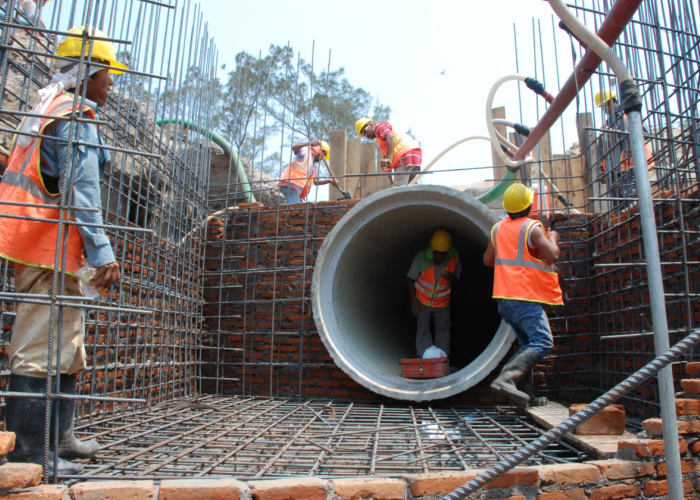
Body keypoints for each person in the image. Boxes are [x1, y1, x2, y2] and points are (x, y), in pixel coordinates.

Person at [0, 25, 127, 474]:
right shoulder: (73, 115)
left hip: (49, 248)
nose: (112, 84)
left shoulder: (46, 107)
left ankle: (61, 438)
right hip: (43, 247)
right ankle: (30, 453)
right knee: (38, 348)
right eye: (108, 75)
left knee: (68, 346)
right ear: (90, 72)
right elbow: (82, 192)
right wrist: (103, 252)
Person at [482, 183, 563, 406]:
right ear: (529, 205)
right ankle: (506, 379)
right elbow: (552, 256)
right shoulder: (532, 228)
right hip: (524, 296)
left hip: (504, 298)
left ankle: (526, 397)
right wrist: (553, 236)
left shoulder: (498, 228)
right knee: (543, 342)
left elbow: (487, 260)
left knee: (528, 342)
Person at [595, 89, 654, 207]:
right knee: (617, 207)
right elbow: (601, 152)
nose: (606, 109)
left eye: (607, 104)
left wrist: (624, 134)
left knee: (630, 203)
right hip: (612, 173)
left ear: (615, 101)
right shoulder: (605, 126)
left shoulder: (630, 117)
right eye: (603, 106)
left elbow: (646, 135)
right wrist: (601, 171)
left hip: (630, 168)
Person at [407, 229, 461, 358]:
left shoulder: (453, 259)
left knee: (443, 331)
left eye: (442, 253)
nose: (439, 256)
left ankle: (442, 359)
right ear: (431, 250)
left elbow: (458, 280)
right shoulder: (422, 257)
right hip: (422, 302)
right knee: (423, 330)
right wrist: (414, 301)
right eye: (436, 252)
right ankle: (424, 358)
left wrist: (450, 277)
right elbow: (410, 278)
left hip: (442, 304)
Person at [355, 118, 422, 187]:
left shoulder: (378, 127)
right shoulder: (381, 140)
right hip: (415, 154)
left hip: (405, 155)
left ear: (372, 125)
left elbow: (389, 136)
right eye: (363, 135)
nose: (366, 135)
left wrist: (387, 158)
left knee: (397, 189)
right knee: (410, 187)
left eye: (365, 131)